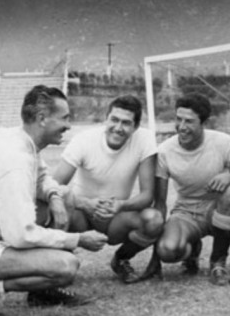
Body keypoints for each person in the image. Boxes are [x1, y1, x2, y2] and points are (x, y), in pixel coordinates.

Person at [0, 85, 108, 316]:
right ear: (42, 118)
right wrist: (78, 239)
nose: (68, 125)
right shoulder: (14, 159)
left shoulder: (23, 140)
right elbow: (21, 235)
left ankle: (41, 292)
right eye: (64, 118)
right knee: (66, 267)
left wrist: (54, 196)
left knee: (65, 196)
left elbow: (43, 177)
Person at [52, 95, 163, 284]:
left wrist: (120, 205)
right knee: (57, 206)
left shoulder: (144, 139)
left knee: (153, 220)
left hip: (116, 218)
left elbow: (147, 195)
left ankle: (121, 259)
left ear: (135, 127)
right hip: (82, 217)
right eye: (114, 119)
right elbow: (54, 186)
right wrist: (86, 204)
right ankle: (59, 266)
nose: (118, 128)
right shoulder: (84, 140)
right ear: (106, 118)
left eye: (126, 123)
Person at [141, 93, 230, 285]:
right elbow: (160, 203)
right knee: (167, 250)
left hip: (217, 208)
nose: (182, 127)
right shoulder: (165, 151)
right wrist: (155, 259)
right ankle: (192, 250)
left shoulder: (225, 142)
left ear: (204, 122)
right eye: (178, 119)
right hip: (186, 211)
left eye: (189, 121)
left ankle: (217, 263)